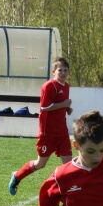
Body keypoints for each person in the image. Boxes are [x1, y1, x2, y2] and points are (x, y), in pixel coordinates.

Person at [9, 57, 73, 195]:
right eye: (60, 70)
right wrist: (65, 104)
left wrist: (67, 109)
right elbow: (45, 106)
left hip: (62, 131)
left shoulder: (66, 86)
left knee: (68, 163)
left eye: (65, 70)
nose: (62, 73)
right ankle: (17, 176)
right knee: (40, 164)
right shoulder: (49, 86)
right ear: (53, 71)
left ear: (69, 73)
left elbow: (61, 103)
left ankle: (69, 191)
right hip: (48, 132)